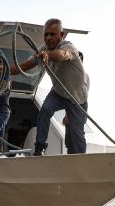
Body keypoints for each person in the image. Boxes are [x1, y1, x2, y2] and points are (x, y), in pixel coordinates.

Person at [10, 18, 88, 155]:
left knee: (75, 138)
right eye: (46, 34)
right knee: (44, 111)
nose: (48, 38)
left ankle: (79, 161)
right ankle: (40, 148)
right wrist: (2, 69)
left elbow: (62, 55)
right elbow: (23, 67)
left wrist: (49, 55)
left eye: (53, 34)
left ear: (61, 35)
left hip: (77, 99)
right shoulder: (42, 50)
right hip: (58, 93)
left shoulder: (69, 47)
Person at [63, 51, 90, 154]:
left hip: (80, 107)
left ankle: (80, 157)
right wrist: (67, 114)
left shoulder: (85, 76)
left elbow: (82, 96)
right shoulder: (68, 75)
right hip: (72, 107)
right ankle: (70, 156)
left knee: (78, 135)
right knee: (69, 137)